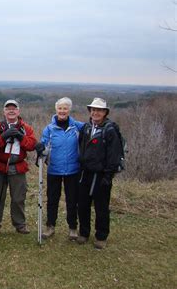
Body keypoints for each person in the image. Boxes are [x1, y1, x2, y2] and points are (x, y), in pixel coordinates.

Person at [36, 97, 84, 240]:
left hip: (73, 170)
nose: (62, 111)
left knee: (72, 200)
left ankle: (73, 228)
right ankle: (50, 226)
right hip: (54, 170)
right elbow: (44, 147)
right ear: (56, 110)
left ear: (69, 110)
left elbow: (92, 131)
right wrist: (40, 150)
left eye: (65, 108)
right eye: (60, 108)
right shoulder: (49, 129)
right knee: (52, 199)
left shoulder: (77, 127)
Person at [77, 98, 121, 249]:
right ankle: (83, 233)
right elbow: (80, 146)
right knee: (82, 205)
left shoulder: (110, 130)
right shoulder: (87, 127)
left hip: (102, 175)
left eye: (99, 110)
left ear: (105, 112)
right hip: (85, 173)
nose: (95, 112)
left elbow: (114, 155)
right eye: (93, 110)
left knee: (101, 207)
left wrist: (109, 175)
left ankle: (101, 236)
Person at [0, 99, 36, 236]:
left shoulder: (26, 128)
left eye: (14, 108)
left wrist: (21, 137)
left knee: (18, 198)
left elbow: (32, 145)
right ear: (4, 111)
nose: (11, 110)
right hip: (0, 167)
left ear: (18, 111)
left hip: (18, 167)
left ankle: (20, 224)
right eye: (8, 108)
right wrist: (3, 136)